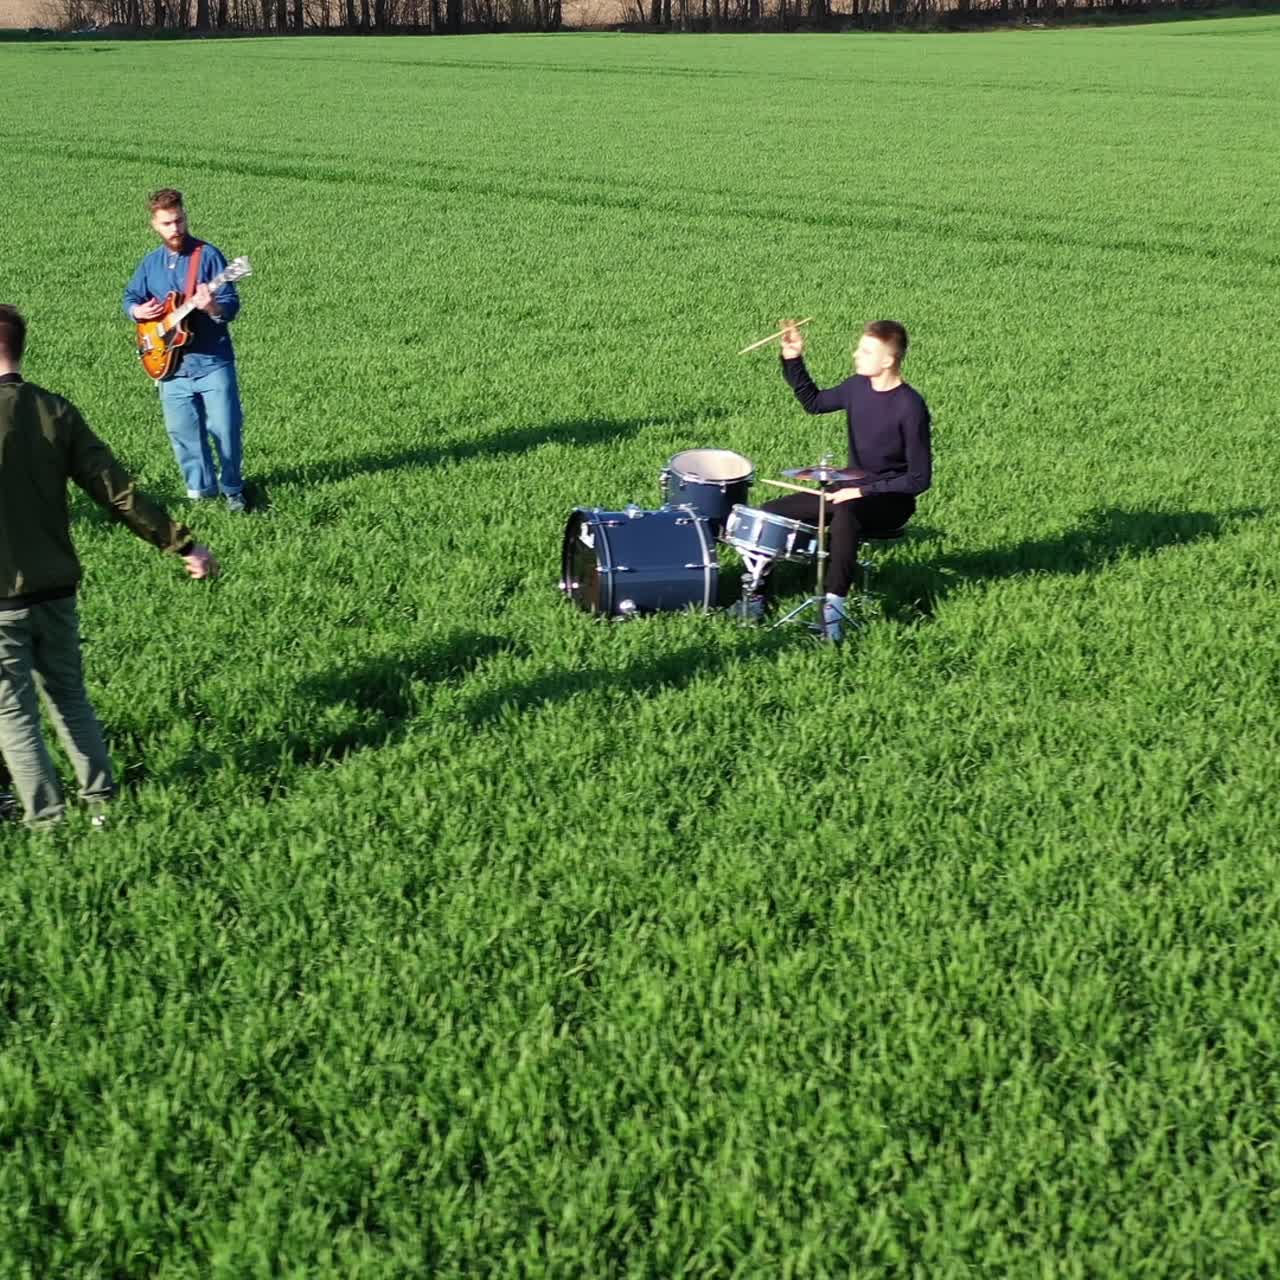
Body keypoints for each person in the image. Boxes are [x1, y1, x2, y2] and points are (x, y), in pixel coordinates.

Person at [0, 304, 219, 828]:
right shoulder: (56, 411)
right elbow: (116, 492)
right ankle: (103, 805)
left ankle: (46, 822)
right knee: (70, 697)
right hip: (56, 587)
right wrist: (183, 545)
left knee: (14, 715)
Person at [740, 319, 932, 642]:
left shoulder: (910, 406)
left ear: (888, 360)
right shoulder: (857, 387)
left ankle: (832, 614)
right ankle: (757, 597)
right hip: (849, 490)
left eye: (866, 350)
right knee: (770, 511)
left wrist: (861, 490)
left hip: (890, 502)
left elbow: (918, 478)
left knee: (847, 514)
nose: (857, 354)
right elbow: (814, 403)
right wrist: (792, 359)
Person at [123, 188, 249, 513]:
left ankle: (233, 488)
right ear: (155, 225)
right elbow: (131, 296)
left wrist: (211, 306)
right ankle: (200, 492)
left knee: (226, 428)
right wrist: (137, 313)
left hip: (212, 361)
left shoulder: (208, 257)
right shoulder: (149, 264)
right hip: (170, 367)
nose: (175, 229)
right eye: (167, 223)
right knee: (183, 431)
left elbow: (231, 306)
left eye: (179, 220)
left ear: (185, 217)